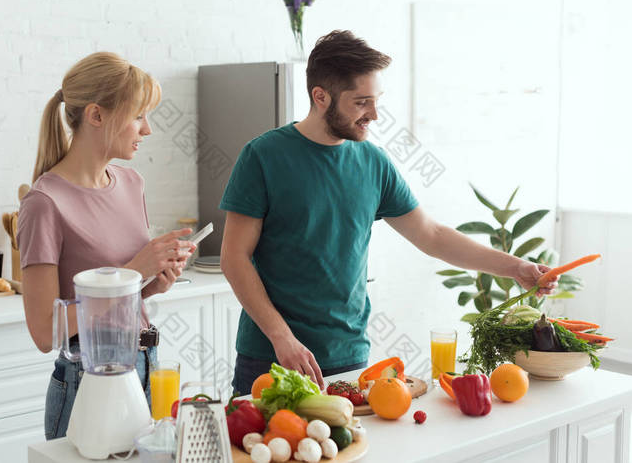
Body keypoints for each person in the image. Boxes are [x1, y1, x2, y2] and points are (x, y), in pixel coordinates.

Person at [219, 30, 558, 394]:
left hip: (347, 356)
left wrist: (516, 268)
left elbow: (432, 236)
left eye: (377, 100)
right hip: (270, 354)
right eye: (362, 102)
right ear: (320, 97)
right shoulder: (263, 156)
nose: (375, 114)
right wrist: (281, 337)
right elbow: (234, 258)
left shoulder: (373, 162)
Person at [17, 52, 195, 440]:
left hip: (147, 362)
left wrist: (155, 280)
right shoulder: (44, 204)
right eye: (138, 116)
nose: (146, 129)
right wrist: (134, 272)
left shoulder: (133, 184)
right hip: (88, 380)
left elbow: (126, 297)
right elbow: (45, 332)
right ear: (96, 115)